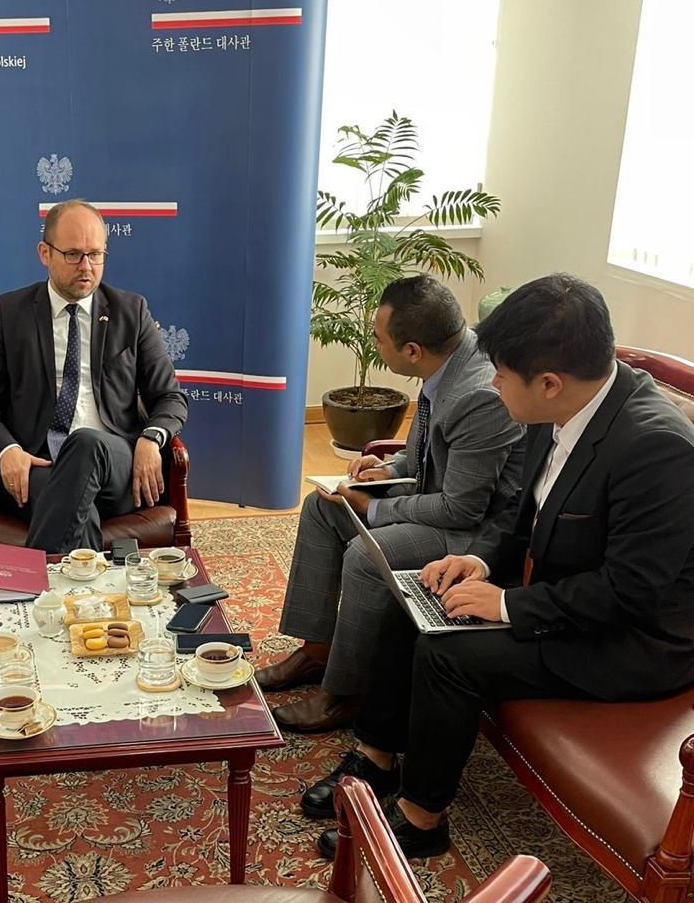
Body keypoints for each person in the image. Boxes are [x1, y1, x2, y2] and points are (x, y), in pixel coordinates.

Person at [301, 273, 694, 860]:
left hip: (632, 640)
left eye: (502, 374)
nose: (491, 383)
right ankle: (376, 758)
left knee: (448, 655)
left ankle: (422, 820)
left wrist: (509, 604)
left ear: (550, 383)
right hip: (567, 591)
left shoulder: (657, 448)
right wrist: (479, 560)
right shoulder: (557, 411)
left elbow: (629, 593)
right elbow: (519, 514)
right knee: (412, 598)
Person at [257, 274, 525, 733]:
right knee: (322, 508)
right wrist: (388, 469)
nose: (375, 346)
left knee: (366, 555)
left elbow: (462, 510)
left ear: (412, 351)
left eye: (379, 339)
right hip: (436, 497)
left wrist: (374, 508)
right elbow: (425, 451)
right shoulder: (447, 361)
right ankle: (319, 650)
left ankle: (347, 694)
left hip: (474, 532)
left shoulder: (479, 394)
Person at [0, 199, 187, 554]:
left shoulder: (131, 311)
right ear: (44, 253)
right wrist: (7, 451)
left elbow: (170, 397)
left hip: (115, 461)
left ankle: (27, 580)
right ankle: (87, 585)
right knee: (75, 506)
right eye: (73, 255)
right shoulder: (10, 313)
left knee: (84, 443)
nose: (86, 267)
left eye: (96, 254)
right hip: (39, 464)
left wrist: (151, 437)